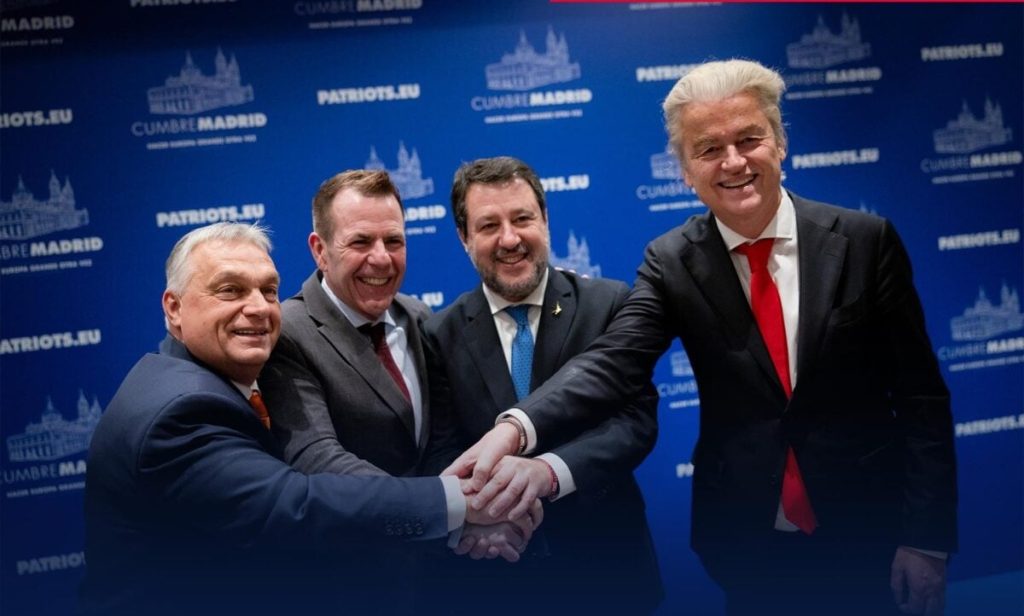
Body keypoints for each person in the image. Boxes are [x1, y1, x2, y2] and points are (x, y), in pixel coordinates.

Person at [449, 60, 958, 616]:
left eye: (749, 139)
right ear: (686, 172)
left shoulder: (865, 241)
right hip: (749, 545)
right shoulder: (671, 262)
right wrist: (515, 430)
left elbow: (921, 398)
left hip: (870, 529)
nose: (733, 162)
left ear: (780, 143)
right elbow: (613, 363)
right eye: (709, 149)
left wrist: (926, 538)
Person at [80, 222, 536, 616]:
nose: (258, 307)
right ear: (174, 308)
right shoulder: (182, 412)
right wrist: (459, 503)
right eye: (230, 290)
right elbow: (297, 506)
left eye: (268, 290)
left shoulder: (205, 380)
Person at [421, 156, 663, 613]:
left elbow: (634, 423)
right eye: (488, 225)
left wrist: (549, 472)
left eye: (522, 219)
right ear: (463, 238)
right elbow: (442, 450)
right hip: (500, 576)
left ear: (546, 220)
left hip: (610, 570)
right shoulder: (439, 334)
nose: (510, 239)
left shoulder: (608, 304)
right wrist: (477, 517)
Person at [261, 169, 430, 478]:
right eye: (360, 242)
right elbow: (317, 458)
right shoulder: (287, 333)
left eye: (393, 241)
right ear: (320, 251)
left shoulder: (418, 316)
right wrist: (441, 498)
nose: (381, 258)